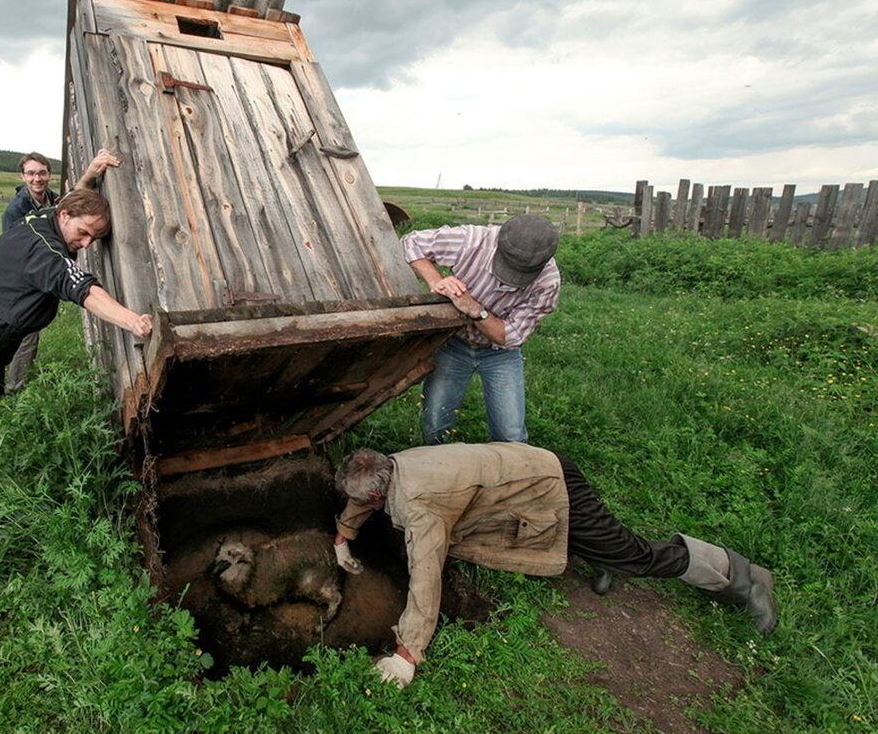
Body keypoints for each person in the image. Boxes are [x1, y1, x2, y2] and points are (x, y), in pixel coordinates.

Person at [332, 443, 778, 688]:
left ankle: (742, 577)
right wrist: (343, 536)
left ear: (377, 493)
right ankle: (600, 555)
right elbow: (363, 501)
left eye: (361, 502)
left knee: (632, 553)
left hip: (548, 481)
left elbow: (425, 574)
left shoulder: (420, 504)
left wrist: (407, 653)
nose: (360, 505)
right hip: (516, 470)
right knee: (602, 545)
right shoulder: (395, 466)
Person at [0, 187, 151, 609]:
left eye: (94, 238)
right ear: (66, 214)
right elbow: (82, 289)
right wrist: (134, 322)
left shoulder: (45, 224)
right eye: (85, 232)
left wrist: (94, 173)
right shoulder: (42, 247)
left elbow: (78, 201)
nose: (87, 244)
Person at [401, 214, 561, 444]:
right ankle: (440, 470)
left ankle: (511, 473)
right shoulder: (473, 240)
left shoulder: (548, 282)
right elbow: (411, 242)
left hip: (500, 354)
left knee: (511, 435)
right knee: (435, 425)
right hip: (453, 344)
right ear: (498, 244)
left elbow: (510, 336)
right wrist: (437, 281)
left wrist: (475, 310)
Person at [2, 149, 122, 392]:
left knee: (28, 332)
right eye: (31, 174)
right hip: (25, 283)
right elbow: (15, 251)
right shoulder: (15, 210)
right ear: (23, 176)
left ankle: (14, 384)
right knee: (22, 333)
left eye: (42, 173)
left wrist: (90, 172)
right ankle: (14, 390)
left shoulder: (53, 200)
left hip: (47, 278)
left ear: (49, 174)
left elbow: (74, 198)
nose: (38, 178)